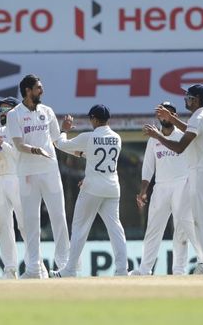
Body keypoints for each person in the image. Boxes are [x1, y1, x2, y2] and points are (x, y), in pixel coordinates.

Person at [143, 84, 203, 274]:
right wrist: (171, 119)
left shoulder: (199, 116)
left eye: (188, 97)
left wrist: (157, 135)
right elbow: (190, 130)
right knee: (199, 220)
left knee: (200, 220)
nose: (185, 99)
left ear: (196, 100)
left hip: (201, 169)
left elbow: (179, 147)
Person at [50, 104, 128, 277]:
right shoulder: (117, 138)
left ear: (94, 119)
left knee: (79, 228)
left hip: (92, 188)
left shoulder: (89, 137)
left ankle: (70, 269)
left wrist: (64, 130)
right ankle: (122, 269)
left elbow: (60, 144)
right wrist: (81, 154)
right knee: (116, 229)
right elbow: (96, 156)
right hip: (112, 188)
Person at [6, 74, 70, 279]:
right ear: (27, 90)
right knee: (31, 221)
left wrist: (66, 133)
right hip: (27, 173)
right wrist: (36, 151)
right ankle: (34, 268)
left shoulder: (47, 111)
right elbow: (17, 144)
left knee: (58, 217)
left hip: (50, 170)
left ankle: (64, 266)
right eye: (38, 88)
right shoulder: (14, 114)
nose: (41, 91)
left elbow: (57, 140)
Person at [131, 102, 199, 276]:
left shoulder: (184, 134)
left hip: (182, 184)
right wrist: (143, 190)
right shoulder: (153, 139)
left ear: (175, 116)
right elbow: (148, 167)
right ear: (158, 116)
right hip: (161, 187)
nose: (165, 116)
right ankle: (145, 269)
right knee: (153, 229)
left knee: (181, 228)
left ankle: (179, 270)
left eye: (169, 113)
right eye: (161, 113)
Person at [0, 96, 48, 279]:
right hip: (0, 179)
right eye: (1, 110)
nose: (2, 113)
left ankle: (36, 266)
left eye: (6, 109)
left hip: (17, 178)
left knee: (24, 224)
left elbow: (18, 155)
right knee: (4, 225)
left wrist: (3, 144)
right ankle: (9, 269)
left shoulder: (21, 129)